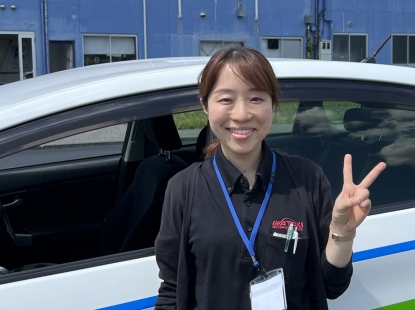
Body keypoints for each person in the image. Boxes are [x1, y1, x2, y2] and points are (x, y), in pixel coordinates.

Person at [154, 47, 385, 310]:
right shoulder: (183, 188)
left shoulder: (308, 179)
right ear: (205, 106)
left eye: (256, 98)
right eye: (226, 99)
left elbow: (332, 285)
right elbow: (172, 291)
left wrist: (342, 233)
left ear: (272, 104)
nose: (241, 114)